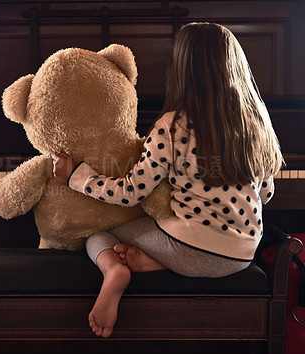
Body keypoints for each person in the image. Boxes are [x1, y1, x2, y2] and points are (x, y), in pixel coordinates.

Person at [52, 22, 283, 339]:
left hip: (192, 249)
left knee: (97, 232)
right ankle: (157, 261)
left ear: (181, 69)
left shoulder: (172, 126)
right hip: (242, 256)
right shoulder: (255, 121)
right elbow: (266, 193)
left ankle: (114, 271)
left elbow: (131, 193)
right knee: (176, 232)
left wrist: (77, 177)